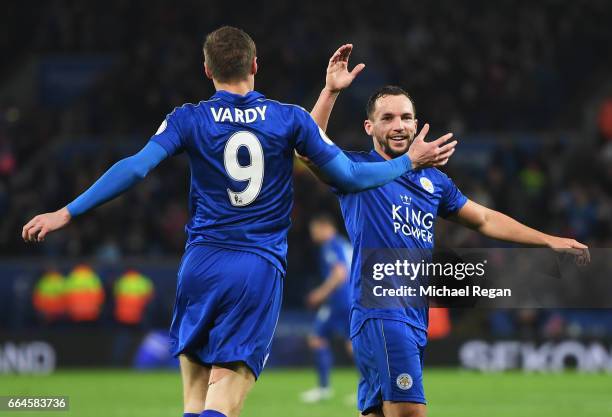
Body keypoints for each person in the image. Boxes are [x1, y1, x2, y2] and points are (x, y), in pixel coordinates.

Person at [21, 29, 457, 417]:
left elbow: (135, 168)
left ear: (207, 70)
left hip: (199, 265)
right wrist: (409, 163)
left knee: (195, 401)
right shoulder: (288, 118)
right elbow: (350, 175)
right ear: (255, 65)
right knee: (224, 401)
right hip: (256, 268)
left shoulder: (187, 117)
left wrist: (66, 211)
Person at [304, 45, 590, 417]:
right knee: (410, 412)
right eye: (387, 118)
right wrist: (331, 92)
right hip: (382, 310)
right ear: (369, 127)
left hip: (412, 313)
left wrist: (547, 239)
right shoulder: (356, 171)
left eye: (406, 117)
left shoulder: (434, 181)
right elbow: (309, 149)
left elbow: (485, 219)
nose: (399, 125)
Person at [301, 213, 353, 403]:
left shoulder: (330, 245)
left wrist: (320, 294)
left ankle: (324, 388)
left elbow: (340, 273)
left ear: (326, 228)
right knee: (352, 344)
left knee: (318, 338)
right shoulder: (343, 243)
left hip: (340, 300)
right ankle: (370, 388)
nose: (313, 234)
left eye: (315, 230)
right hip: (351, 298)